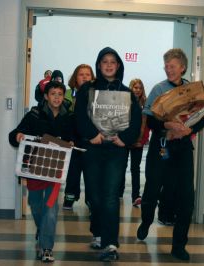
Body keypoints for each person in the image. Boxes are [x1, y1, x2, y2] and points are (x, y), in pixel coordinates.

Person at [136, 48, 204, 261]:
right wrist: (167, 125)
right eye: (166, 66)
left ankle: (178, 246)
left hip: (183, 150)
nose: (168, 69)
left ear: (182, 67)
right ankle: (147, 220)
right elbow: (151, 120)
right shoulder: (159, 89)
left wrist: (190, 129)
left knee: (186, 198)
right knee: (152, 191)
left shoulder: (192, 91)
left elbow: (201, 119)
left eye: (172, 66)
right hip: (161, 148)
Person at [75, 47, 141, 262]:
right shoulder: (87, 90)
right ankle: (98, 231)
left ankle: (110, 243)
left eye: (113, 61)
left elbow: (136, 120)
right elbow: (79, 116)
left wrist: (126, 139)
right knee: (94, 196)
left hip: (116, 150)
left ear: (119, 65)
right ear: (99, 65)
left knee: (111, 197)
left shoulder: (127, 92)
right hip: (93, 148)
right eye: (105, 61)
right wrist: (91, 134)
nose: (109, 65)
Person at [9, 81, 74, 263]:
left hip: (56, 171)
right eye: (53, 94)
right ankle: (42, 229)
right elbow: (14, 134)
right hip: (35, 170)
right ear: (46, 96)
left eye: (60, 94)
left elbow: (73, 138)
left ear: (63, 97)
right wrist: (18, 136)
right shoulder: (34, 115)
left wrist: (72, 143)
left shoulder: (68, 117)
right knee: (35, 205)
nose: (56, 98)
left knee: (51, 209)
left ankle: (46, 248)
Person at [63, 64, 95, 210]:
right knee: (73, 173)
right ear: (76, 78)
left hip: (91, 140)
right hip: (73, 140)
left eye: (87, 74)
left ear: (92, 77)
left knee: (91, 174)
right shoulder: (68, 94)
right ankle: (69, 198)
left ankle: (91, 199)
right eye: (81, 74)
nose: (84, 77)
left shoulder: (97, 93)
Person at [119, 78, 149, 207]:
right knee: (121, 166)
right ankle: (119, 192)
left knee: (135, 169)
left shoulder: (146, 104)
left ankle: (135, 196)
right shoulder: (124, 102)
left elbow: (146, 125)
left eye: (140, 88)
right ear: (131, 88)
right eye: (135, 87)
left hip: (138, 142)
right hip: (125, 141)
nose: (137, 90)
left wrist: (141, 140)